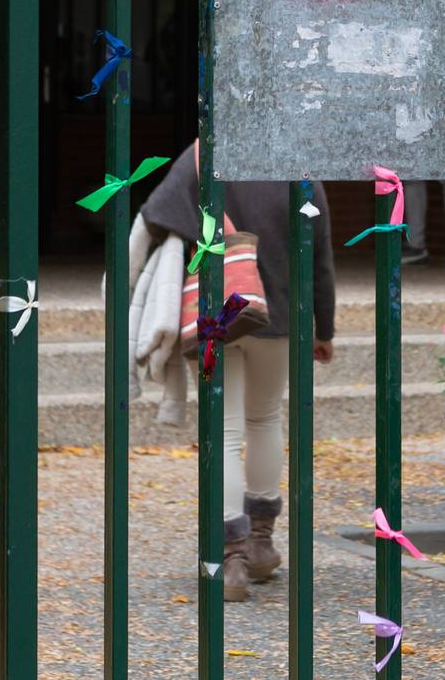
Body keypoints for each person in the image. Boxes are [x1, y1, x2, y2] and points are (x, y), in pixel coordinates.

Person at [135, 142, 336, 602]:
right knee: (264, 417)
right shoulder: (297, 163)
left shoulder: (204, 154)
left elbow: (154, 215)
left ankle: (231, 561)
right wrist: (323, 327)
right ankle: (262, 545)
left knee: (223, 429)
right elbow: (320, 254)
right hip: (282, 314)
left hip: (213, 315)